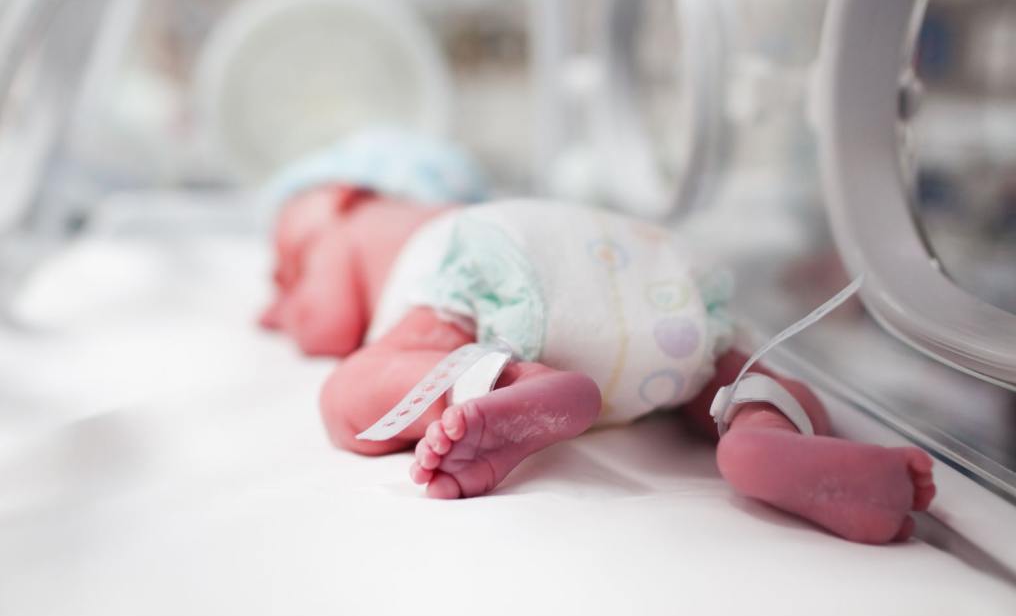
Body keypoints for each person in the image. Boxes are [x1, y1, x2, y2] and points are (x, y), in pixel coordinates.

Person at [263, 187, 935, 546]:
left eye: (288, 256)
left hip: (496, 264)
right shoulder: (498, 204)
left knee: (345, 396)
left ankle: (508, 381)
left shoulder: (347, 223)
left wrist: (288, 302)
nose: (286, 271)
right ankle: (767, 428)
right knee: (718, 369)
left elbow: (325, 324)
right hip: (643, 264)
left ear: (339, 194)